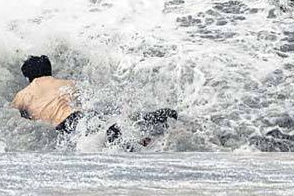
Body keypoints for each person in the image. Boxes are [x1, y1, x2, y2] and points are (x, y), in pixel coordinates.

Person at [12, 55, 178, 145]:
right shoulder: (67, 83)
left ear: (28, 76)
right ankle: (138, 130)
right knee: (103, 129)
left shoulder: (23, 95)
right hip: (84, 116)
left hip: (65, 126)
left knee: (98, 141)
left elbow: (11, 119)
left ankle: (126, 139)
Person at [11, 55, 82, 133]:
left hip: (63, 126)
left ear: (28, 77)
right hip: (81, 116)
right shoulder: (69, 83)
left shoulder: (23, 94)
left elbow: (10, 116)